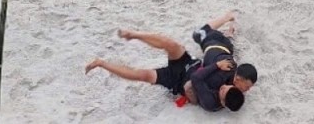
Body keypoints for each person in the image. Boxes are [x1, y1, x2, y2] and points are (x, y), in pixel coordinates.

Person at [85, 11, 257, 112]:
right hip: (190, 63)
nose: (224, 87)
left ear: (223, 101)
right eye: (229, 87)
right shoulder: (232, 86)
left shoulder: (211, 102)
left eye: (224, 90)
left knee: (143, 75)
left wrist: (216, 66)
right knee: (171, 44)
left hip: (175, 81)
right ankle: (134, 35)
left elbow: (196, 79)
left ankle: (102, 63)